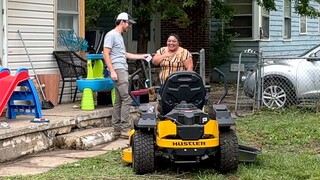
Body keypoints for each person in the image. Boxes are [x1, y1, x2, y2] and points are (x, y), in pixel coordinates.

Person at [103, 12, 150, 139]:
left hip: (120, 68)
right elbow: (105, 54)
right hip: (118, 69)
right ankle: (124, 129)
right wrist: (112, 71)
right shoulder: (111, 35)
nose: (129, 26)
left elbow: (124, 54)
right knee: (127, 98)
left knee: (119, 100)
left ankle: (117, 130)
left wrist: (142, 56)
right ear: (122, 22)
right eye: (128, 23)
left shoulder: (119, 36)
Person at [152, 33, 193, 114]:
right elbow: (154, 61)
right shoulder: (162, 50)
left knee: (176, 103)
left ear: (178, 43)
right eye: (169, 41)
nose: (171, 43)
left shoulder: (184, 52)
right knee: (163, 103)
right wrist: (164, 55)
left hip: (179, 85)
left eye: (174, 41)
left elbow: (190, 68)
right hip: (164, 84)